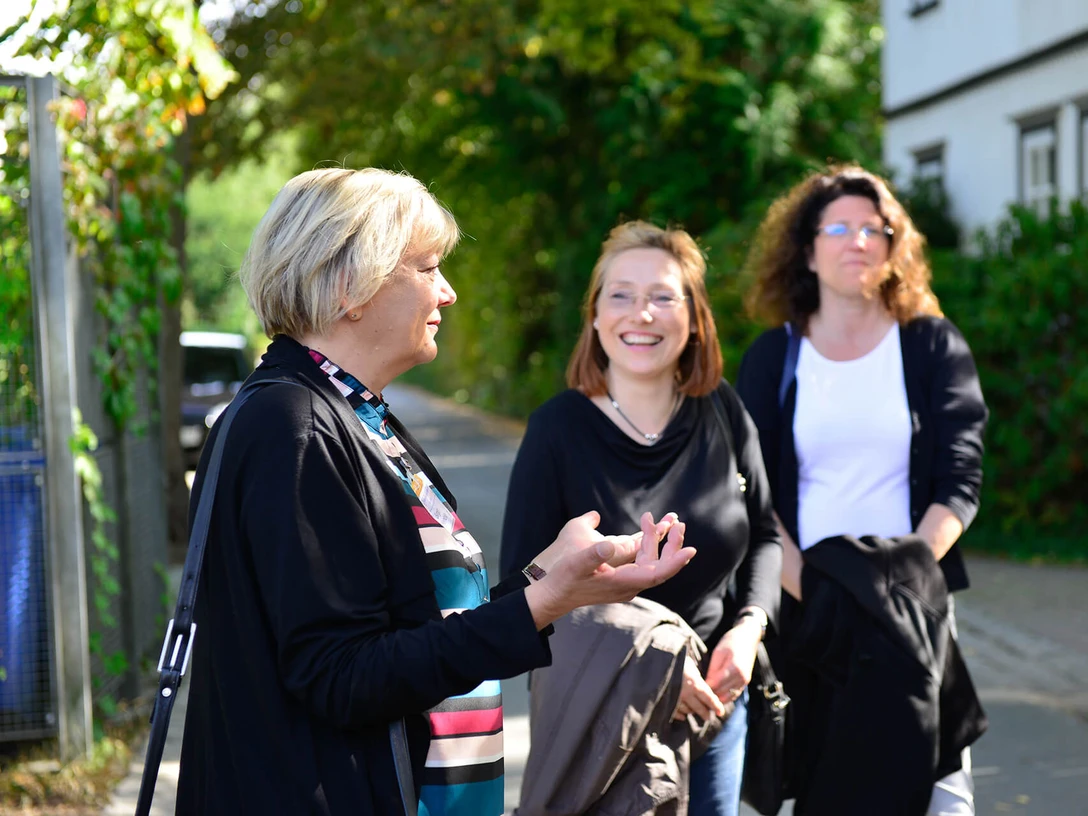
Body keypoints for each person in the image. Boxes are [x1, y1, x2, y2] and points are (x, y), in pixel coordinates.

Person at [174, 169, 698, 816]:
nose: (447, 293)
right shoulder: (296, 427)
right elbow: (342, 676)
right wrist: (537, 604)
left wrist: (552, 578)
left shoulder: (354, 413)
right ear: (350, 286)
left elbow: (422, 624)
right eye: (426, 268)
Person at [500, 220, 782, 816]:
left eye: (662, 296)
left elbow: (764, 533)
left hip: (715, 704)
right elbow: (518, 592)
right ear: (596, 316)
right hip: (599, 711)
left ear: (694, 316)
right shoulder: (556, 430)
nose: (642, 314)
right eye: (621, 295)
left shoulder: (723, 411)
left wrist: (749, 627)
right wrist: (651, 670)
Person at [735, 164, 989, 815]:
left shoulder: (932, 344)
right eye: (840, 227)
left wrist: (900, 579)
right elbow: (752, 492)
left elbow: (960, 477)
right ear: (807, 247)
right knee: (821, 787)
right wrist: (812, 589)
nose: (858, 241)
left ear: (893, 245)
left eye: (874, 229)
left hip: (914, 598)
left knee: (937, 791)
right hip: (809, 603)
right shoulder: (774, 357)